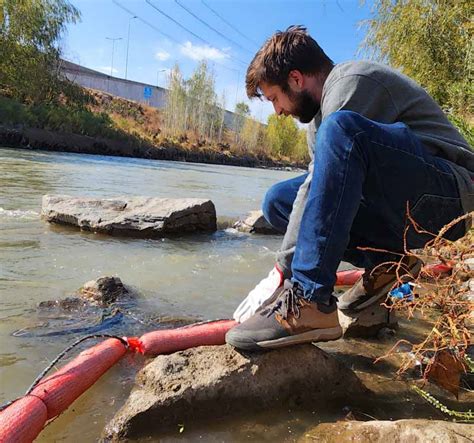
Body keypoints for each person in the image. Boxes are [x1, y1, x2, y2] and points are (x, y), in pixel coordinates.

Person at [225, 25, 474, 351]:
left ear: (296, 79)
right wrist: (278, 272)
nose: (278, 111)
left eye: (274, 98)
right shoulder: (318, 124)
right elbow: (315, 193)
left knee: (342, 131)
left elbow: (319, 180)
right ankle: (388, 263)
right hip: (407, 201)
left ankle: (310, 299)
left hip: (453, 196)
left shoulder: (351, 81)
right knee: (279, 201)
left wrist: (284, 272)